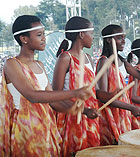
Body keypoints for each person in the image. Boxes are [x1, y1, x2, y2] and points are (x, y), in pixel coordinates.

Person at [0, 15, 92, 156]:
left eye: (43, 34)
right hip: (24, 129)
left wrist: (83, 111)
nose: (44, 38)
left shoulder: (40, 65)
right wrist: (74, 93)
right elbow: (33, 96)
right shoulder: (12, 64)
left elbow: (53, 103)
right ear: (24, 39)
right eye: (39, 35)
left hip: (45, 126)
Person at [52, 16, 100, 156]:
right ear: (81, 34)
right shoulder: (65, 58)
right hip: (71, 116)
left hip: (90, 115)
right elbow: (56, 95)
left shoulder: (88, 58)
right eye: (91, 33)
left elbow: (92, 90)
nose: (93, 37)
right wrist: (83, 110)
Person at [96, 24, 140, 146]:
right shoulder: (103, 62)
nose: (123, 41)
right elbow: (103, 96)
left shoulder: (122, 61)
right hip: (111, 114)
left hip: (123, 112)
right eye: (119, 38)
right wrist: (131, 107)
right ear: (108, 40)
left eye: (124, 37)